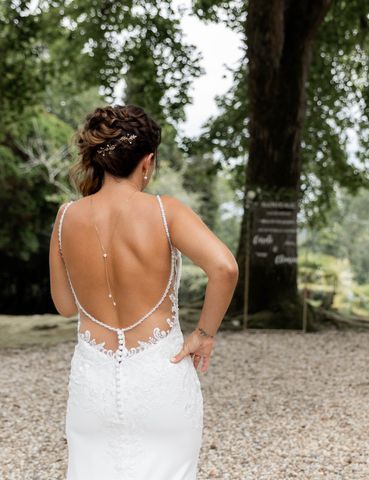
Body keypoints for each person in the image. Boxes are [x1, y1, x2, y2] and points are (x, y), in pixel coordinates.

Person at [49, 105, 239, 480]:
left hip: (93, 390)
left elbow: (65, 306)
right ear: (147, 162)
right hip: (160, 383)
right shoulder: (166, 212)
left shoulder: (66, 217)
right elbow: (225, 267)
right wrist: (203, 334)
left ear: (99, 159)